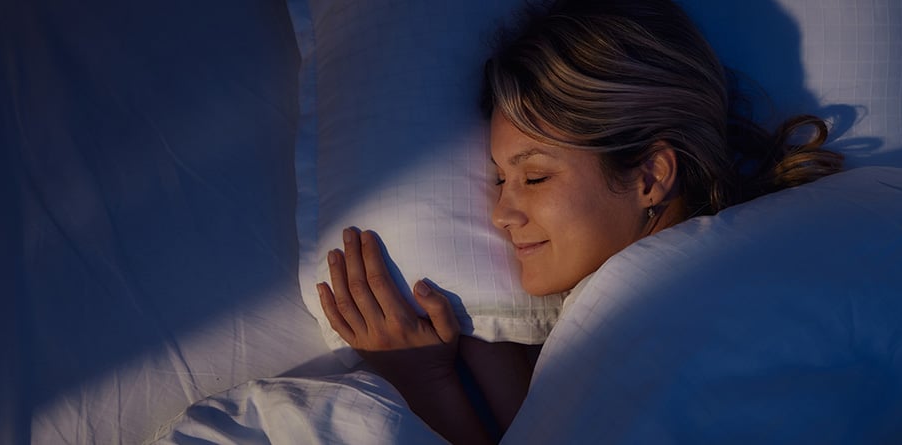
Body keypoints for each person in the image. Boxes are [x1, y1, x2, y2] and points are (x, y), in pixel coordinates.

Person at [314, 0, 844, 443]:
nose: (501, 215)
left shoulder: (687, 306)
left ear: (650, 177)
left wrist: (427, 388)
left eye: (536, 177)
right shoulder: (619, 317)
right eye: (499, 179)